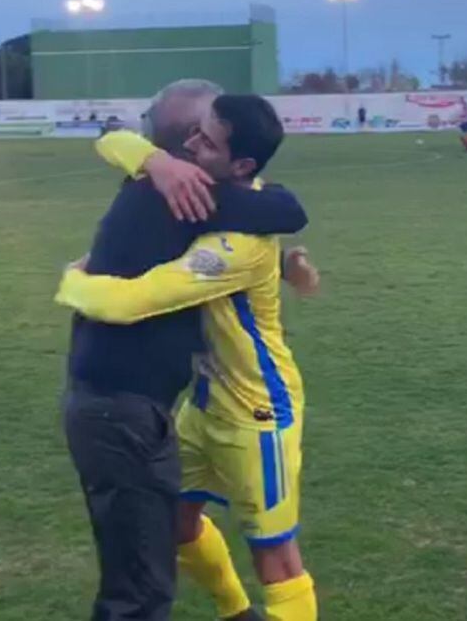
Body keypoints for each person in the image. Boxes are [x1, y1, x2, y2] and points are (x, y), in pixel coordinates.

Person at [58, 95, 319, 621]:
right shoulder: (216, 191)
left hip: (256, 408)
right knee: (177, 523)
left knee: (275, 553)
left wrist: (72, 282)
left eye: (208, 140)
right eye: (193, 132)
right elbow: (116, 140)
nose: (190, 146)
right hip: (202, 400)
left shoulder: (233, 243)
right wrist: (156, 159)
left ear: (241, 165)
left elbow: (131, 301)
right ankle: (235, 611)